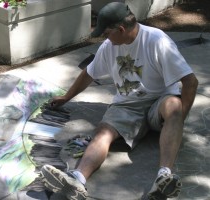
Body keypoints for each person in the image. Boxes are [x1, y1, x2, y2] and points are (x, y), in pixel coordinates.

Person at [40, 2, 198, 200]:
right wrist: (66, 97)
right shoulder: (109, 46)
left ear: (121, 29)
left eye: (106, 33)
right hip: (127, 105)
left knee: (174, 106)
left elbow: (190, 81)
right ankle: (77, 180)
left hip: (160, 99)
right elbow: (88, 74)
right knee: (103, 132)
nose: (104, 38)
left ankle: (164, 176)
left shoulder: (157, 41)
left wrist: (178, 120)